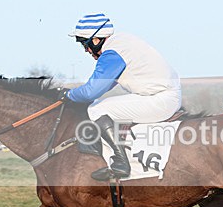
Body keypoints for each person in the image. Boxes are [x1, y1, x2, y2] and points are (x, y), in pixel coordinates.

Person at [65, 13, 182, 181]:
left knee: (96, 109)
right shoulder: (122, 41)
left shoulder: (112, 53)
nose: (86, 50)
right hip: (165, 96)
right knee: (98, 104)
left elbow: (91, 91)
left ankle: (121, 163)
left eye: (85, 43)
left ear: (96, 39)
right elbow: (104, 84)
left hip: (160, 100)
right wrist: (79, 94)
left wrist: (68, 94)